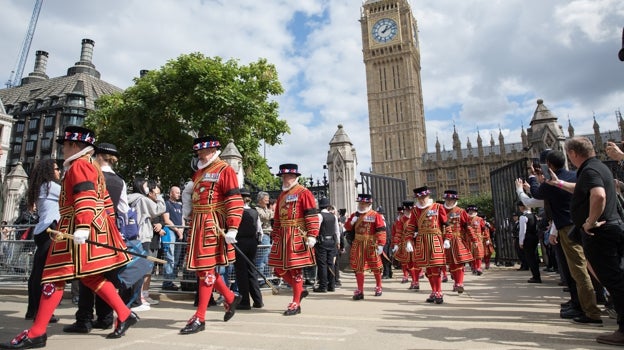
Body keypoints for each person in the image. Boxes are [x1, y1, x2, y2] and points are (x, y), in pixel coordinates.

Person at [0, 126, 138, 349]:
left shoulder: (80, 166)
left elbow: (85, 196)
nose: (63, 149)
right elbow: (104, 204)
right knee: (90, 277)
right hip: (85, 227)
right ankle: (124, 312)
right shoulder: (89, 166)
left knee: (53, 277)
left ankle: (37, 332)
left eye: (65, 145)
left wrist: (82, 227)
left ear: (74, 145)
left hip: (75, 227)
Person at [549, 137, 624, 344]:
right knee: (612, 277)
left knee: (614, 281)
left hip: (600, 233)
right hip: (611, 229)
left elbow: (598, 196)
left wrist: (590, 221)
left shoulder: (589, 171)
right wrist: (559, 183)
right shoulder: (597, 167)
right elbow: (583, 189)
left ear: (573, 154)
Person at [180, 135, 243, 334]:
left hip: (213, 224)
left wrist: (233, 227)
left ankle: (200, 317)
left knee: (205, 270)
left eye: (203, 151)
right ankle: (231, 298)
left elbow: (234, 199)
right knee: (201, 270)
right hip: (199, 224)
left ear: (213, 150)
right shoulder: (198, 173)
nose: (200, 155)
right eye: (198, 152)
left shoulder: (224, 169)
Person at [529, 149, 601, 323]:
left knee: (578, 270)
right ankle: (584, 303)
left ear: (550, 165)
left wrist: (533, 179)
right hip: (581, 225)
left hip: (567, 228)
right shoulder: (575, 176)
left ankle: (590, 311)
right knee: (588, 266)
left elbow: (537, 194)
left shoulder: (553, 182)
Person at [64, 142, 129, 333]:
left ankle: (84, 319)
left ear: (99, 156)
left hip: (89, 228)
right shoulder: (120, 181)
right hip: (110, 230)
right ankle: (105, 318)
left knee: (87, 275)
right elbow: (123, 209)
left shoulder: (89, 172)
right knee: (105, 274)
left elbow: (84, 198)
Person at [269, 163, 319, 315]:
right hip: (283, 235)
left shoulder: (304, 192)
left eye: (289, 176)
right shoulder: (282, 195)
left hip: (297, 234)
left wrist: (312, 234)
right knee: (278, 268)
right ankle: (300, 290)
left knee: (296, 270)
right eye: (283, 176)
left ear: (295, 177)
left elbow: (311, 214)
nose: (286, 179)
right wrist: (275, 234)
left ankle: (295, 303)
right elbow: (277, 218)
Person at [24, 159, 61, 323]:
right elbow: (69, 195)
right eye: (56, 169)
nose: (59, 172)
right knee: (45, 273)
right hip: (50, 229)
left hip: (43, 230)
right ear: (48, 171)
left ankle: (33, 309)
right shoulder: (50, 186)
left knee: (37, 272)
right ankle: (41, 310)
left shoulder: (41, 187)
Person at [125, 178, 165, 311]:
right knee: (140, 270)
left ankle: (129, 300)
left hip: (131, 236)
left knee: (130, 269)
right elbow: (159, 209)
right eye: (148, 186)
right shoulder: (142, 200)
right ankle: (136, 301)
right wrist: (158, 196)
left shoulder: (129, 198)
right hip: (143, 236)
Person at [405, 186, 448, 304]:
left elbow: (446, 224)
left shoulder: (438, 207)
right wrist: (408, 240)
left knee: (435, 266)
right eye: (419, 197)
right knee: (427, 268)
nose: (422, 199)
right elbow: (411, 227)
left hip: (435, 239)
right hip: (421, 240)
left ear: (428, 196)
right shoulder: (415, 210)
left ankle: (439, 291)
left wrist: (447, 238)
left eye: (424, 196)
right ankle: (433, 291)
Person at [344, 194, 386, 300]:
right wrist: (352, 221)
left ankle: (379, 286)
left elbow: (381, 230)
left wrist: (381, 244)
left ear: (369, 204)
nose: (361, 205)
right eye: (360, 203)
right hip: (358, 243)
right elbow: (347, 227)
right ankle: (360, 290)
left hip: (371, 243)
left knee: (376, 266)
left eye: (364, 203)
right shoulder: (355, 215)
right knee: (358, 267)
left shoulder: (375, 215)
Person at [233, 188, 264, 309]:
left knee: (241, 272)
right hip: (252, 242)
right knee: (251, 271)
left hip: (240, 241)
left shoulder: (236, 211)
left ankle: (245, 301)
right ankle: (258, 300)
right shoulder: (254, 212)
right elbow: (259, 230)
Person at [441, 190, 474, 294]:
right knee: (450, 264)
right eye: (448, 199)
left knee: (459, 262)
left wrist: (473, 239)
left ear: (455, 200)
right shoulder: (440, 210)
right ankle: (456, 281)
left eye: (452, 199)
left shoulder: (460, 211)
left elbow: (467, 226)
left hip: (457, 239)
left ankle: (459, 283)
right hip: (444, 240)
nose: (449, 201)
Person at [313, 198, 340, 293]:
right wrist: (338, 242)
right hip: (332, 241)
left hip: (322, 242)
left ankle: (323, 285)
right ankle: (332, 285)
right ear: (328, 206)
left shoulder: (319, 216)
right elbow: (337, 231)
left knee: (322, 264)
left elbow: (316, 229)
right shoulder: (334, 217)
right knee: (331, 263)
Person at [161, 186, 183, 291]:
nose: (179, 194)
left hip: (179, 233)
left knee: (176, 258)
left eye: (179, 192)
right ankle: (167, 282)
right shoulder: (167, 204)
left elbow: (182, 218)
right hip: (171, 232)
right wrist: (177, 230)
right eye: (177, 192)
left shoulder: (180, 205)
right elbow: (166, 219)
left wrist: (182, 230)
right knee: (170, 257)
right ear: (171, 193)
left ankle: (171, 280)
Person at [517, 201, 541, 283]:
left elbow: (522, 231)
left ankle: (536, 276)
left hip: (527, 239)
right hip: (534, 237)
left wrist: (521, 242)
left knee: (530, 258)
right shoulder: (533, 215)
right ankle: (536, 275)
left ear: (521, 207)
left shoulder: (523, 217)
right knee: (534, 256)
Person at [254, 191, 272, 275]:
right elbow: (266, 216)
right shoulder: (256, 209)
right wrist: (272, 213)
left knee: (267, 258)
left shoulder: (266, 209)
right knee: (261, 259)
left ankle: (266, 278)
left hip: (268, 235)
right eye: (266, 200)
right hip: (263, 235)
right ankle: (260, 279)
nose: (268, 202)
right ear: (260, 200)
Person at [466, 205, 485, 276]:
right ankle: (473, 267)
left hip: (478, 238)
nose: (471, 212)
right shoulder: (466, 219)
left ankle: (479, 267)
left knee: (478, 254)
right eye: (470, 211)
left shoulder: (479, 219)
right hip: (469, 239)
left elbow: (483, 228)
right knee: (471, 254)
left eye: (473, 211)